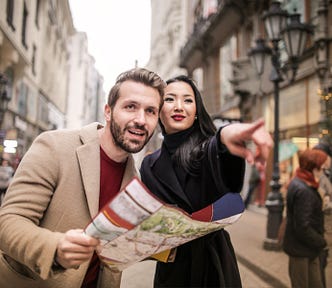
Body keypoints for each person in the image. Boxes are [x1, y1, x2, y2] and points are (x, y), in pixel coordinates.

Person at [0, 68, 166, 288]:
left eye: (151, 111)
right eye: (130, 107)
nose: (141, 120)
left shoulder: (135, 180)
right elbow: (8, 222)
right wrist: (56, 248)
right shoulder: (54, 146)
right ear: (108, 111)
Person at [140, 75, 273, 287]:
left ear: (196, 113)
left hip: (213, 265)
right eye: (170, 99)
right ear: (158, 110)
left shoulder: (207, 148)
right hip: (172, 269)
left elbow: (221, 161)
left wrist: (227, 135)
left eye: (188, 100)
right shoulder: (149, 165)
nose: (179, 106)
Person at [283, 149, 328, 288]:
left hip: (306, 249)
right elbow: (303, 226)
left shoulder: (299, 181)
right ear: (314, 168)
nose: (324, 172)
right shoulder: (304, 190)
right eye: (323, 168)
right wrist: (322, 241)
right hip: (302, 250)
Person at [313, 142, 332, 288]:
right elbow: (319, 202)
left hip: (326, 227)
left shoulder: (325, 173)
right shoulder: (316, 176)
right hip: (322, 227)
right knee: (320, 263)